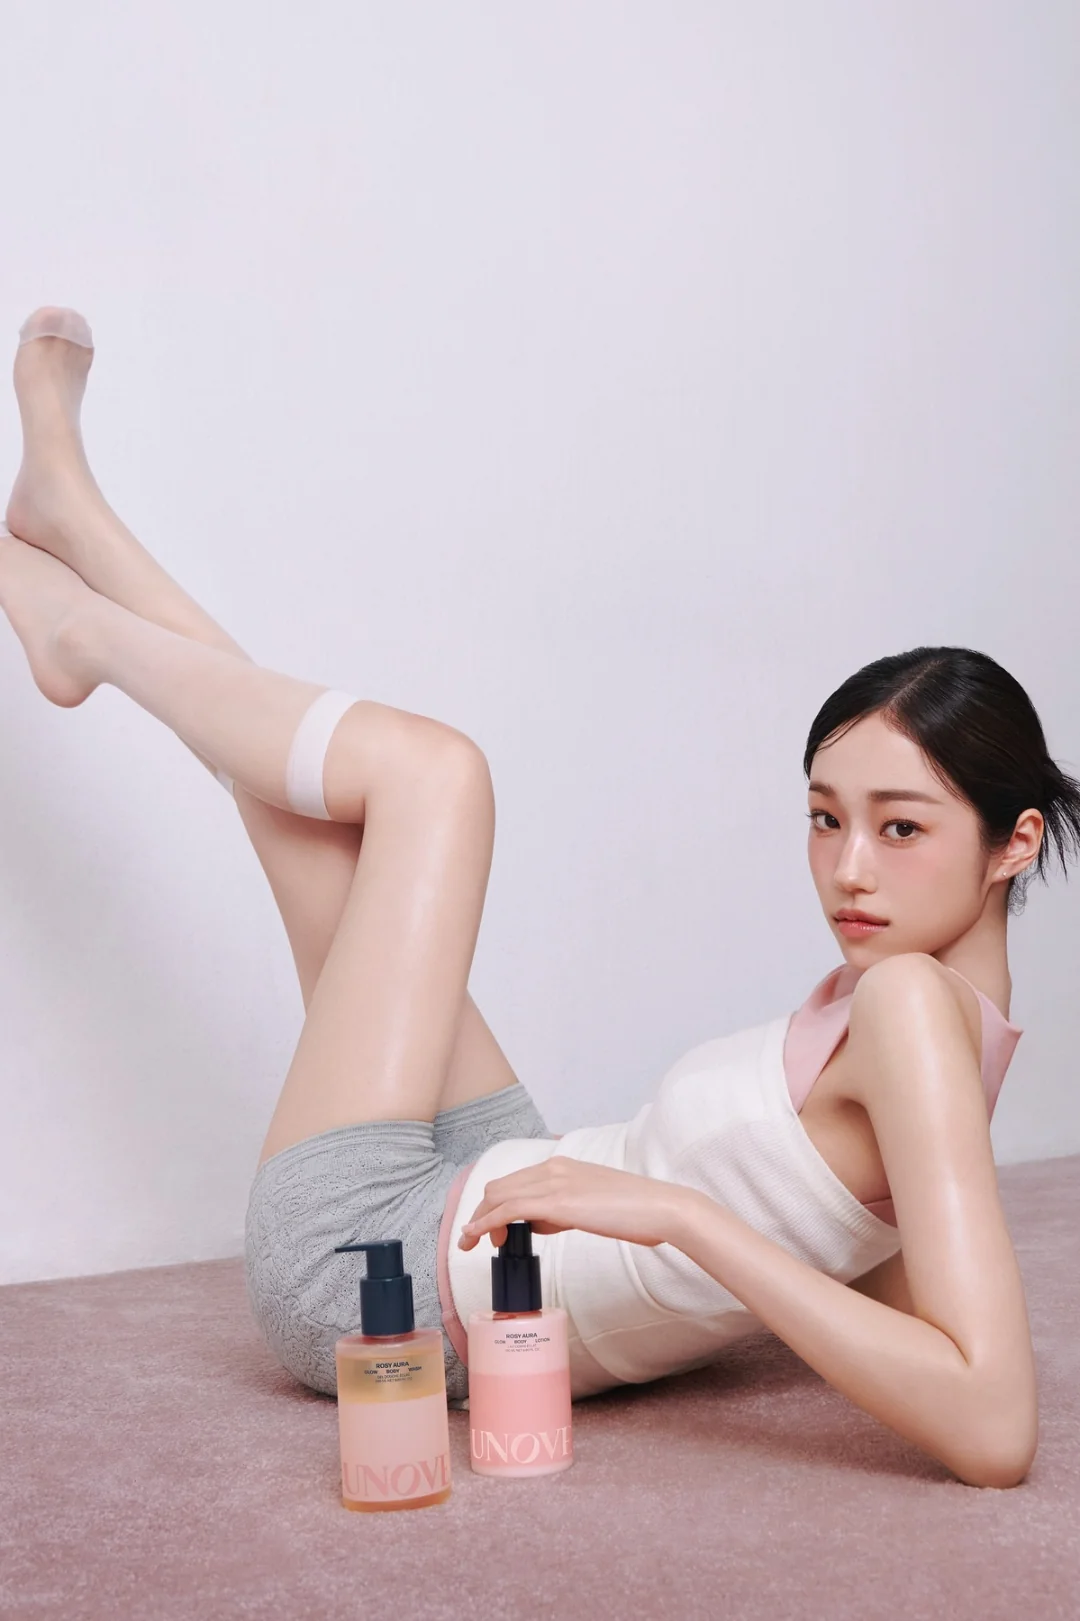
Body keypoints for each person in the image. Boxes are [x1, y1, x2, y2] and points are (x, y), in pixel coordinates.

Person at [2, 308, 1077, 1491]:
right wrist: (684, 1228)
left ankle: (82, 628)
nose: (850, 868)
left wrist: (680, 1219)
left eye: (901, 827)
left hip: (376, 1269)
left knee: (432, 777)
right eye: (826, 818)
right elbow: (867, 1256)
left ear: (1014, 843)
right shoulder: (943, 1024)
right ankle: (78, 529)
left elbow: (991, 1425)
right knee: (306, 819)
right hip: (510, 1181)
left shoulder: (912, 1003)